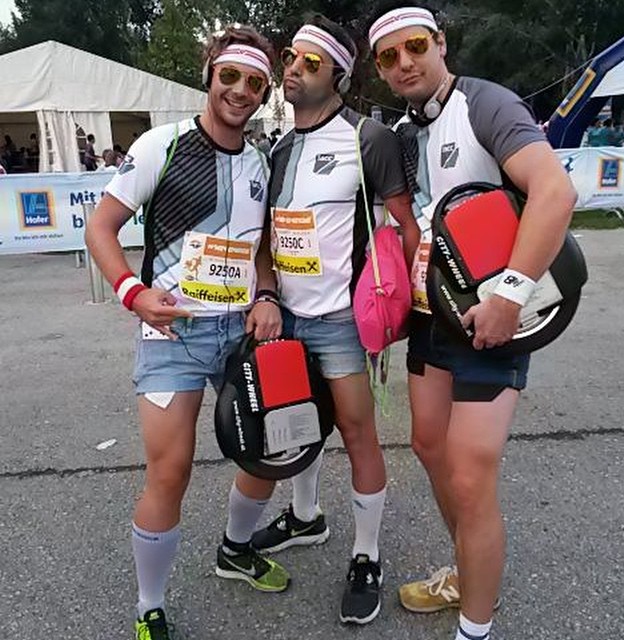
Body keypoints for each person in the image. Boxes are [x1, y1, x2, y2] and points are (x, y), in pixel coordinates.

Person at [366, 3, 576, 639]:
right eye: (389, 56)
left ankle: (474, 628)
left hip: (494, 319)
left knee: (469, 474)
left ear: (440, 43)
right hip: (432, 320)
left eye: (415, 47)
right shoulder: (402, 133)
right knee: (429, 449)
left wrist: (511, 294)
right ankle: (469, 572)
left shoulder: (484, 103)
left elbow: (555, 191)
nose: (405, 63)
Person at [218, 12, 420, 626]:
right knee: (290, 429)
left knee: (358, 434)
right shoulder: (278, 148)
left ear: (338, 75)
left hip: (339, 320)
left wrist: (409, 308)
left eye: (311, 63)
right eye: (290, 59)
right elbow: (264, 239)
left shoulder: (367, 138)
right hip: (286, 320)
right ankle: (306, 519)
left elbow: (406, 226)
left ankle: (367, 555)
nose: (294, 70)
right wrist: (266, 294)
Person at [85, 24, 284, 640]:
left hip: (239, 335)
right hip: (172, 335)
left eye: (255, 82)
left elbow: (261, 246)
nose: (241, 91)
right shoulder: (161, 145)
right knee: (170, 472)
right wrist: (133, 292)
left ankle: (235, 549)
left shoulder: (261, 162)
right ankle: (150, 606)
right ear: (209, 76)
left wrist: (268, 293)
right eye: (230, 76)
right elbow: (101, 227)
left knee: (268, 452)